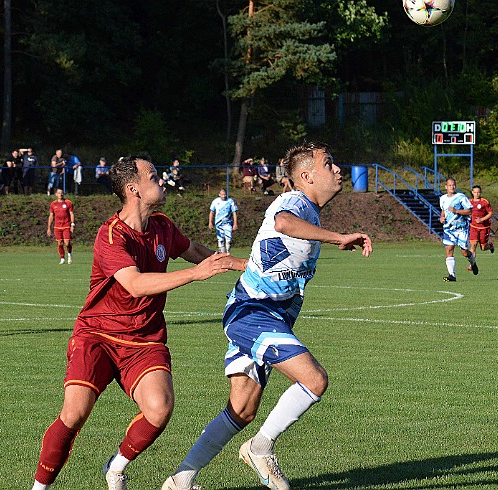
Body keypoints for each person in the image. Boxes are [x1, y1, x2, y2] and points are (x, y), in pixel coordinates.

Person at [162, 141, 373, 490]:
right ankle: (260, 447)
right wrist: (338, 238)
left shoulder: (311, 212)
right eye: (329, 164)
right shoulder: (294, 203)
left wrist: (241, 263)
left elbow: (272, 252)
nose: (338, 170)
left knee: (242, 410)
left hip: (264, 314)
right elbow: (283, 222)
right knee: (314, 379)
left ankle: (180, 480)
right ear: (306, 176)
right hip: (251, 313)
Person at [31, 154, 243, 490]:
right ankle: (39, 487)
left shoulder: (162, 227)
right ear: (135, 189)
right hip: (98, 334)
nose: (161, 181)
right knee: (74, 413)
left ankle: (116, 466)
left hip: (144, 339)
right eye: (154, 176)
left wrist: (246, 265)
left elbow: (198, 252)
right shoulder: (111, 236)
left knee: (160, 409)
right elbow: (135, 283)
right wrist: (195, 275)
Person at [439, 177, 477, 282]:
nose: (452, 187)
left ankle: (473, 263)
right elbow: (443, 211)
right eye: (450, 185)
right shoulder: (442, 198)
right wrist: (441, 217)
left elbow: (469, 211)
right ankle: (452, 275)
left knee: (465, 252)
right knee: (449, 250)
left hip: (461, 229)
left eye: (453, 185)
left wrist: (456, 210)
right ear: (446, 187)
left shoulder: (461, 197)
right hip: (448, 228)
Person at [466, 184, 494, 271]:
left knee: (483, 247)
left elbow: (490, 213)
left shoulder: (484, 202)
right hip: (473, 227)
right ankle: (472, 264)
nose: (477, 194)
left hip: (484, 227)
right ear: (472, 192)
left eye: (478, 192)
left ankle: (490, 246)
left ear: (480, 192)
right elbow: (467, 212)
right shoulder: (469, 202)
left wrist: (482, 219)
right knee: (473, 245)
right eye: (475, 192)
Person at [47, 188, 75, 264]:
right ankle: (62, 258)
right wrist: (49, 228)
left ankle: (69, 254)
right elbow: (51, 216)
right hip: (57, 226)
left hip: (66, 225)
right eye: (59, 193)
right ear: (56, 194)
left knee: (67, 243)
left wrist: (72, 224)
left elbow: (71, 214)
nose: (60, 194)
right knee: (60, 243)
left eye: (62, 193)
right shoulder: (53, 204)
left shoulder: (68, 203)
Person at [209, 188, 238, 253]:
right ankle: (222, 254)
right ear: (219, 194)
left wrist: (235, 224)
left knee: (228, 240)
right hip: (218, 224)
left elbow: (234, 213)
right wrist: (210, 222)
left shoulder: (230, 201)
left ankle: (227, 252)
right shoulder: (215, 201)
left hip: (228, 223)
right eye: (222, 195)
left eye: (224, 194)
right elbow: (212, 212)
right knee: (220, 239)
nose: (223, 196)